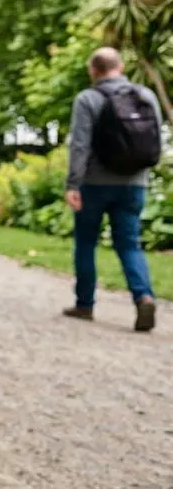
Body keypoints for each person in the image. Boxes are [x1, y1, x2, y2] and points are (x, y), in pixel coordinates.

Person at [62, 47, 161, 332]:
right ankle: (143, 296)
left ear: (93, 70)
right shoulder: (146, 95)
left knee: (85, 243)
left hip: (94, 183)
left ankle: (84, 304)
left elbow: (80, 144)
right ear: (121, 66)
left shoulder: (88, 98)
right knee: (130, 243)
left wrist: (73, 184)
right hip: (134, 183)